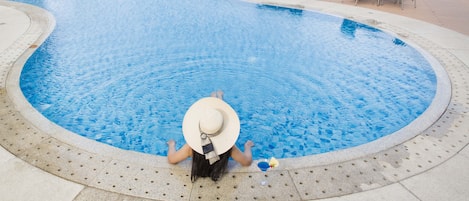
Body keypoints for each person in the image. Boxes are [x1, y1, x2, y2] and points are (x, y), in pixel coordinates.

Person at [167, 91, 254, 182]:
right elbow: (247, 162)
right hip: (217, 172)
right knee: (216, 118)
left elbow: (172, 159)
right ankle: (218, 100)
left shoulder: (190, 148)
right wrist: (247, 147)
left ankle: (215, 100)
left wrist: (171, 146)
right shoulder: (229, 147)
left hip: (201, 171)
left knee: (212, 118)